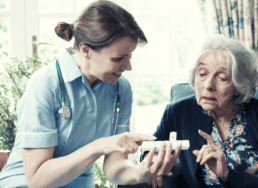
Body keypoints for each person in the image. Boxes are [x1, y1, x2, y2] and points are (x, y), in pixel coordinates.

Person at [0, 1, 181, 187]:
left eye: (129, 56)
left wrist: (139, 174)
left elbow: (114, 165)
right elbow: (37, 180)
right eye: (118, 58)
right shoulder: (45, 84)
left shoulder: (121, 89)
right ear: (86, 50)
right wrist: (99, 146)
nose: (128, 67)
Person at [131, 34, 258, 188]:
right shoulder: (177, 112)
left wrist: (227, 174)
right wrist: (149, 162)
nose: (208, 85)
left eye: (222, 78)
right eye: (202, 74)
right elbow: (151, 147)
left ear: (238, 86)